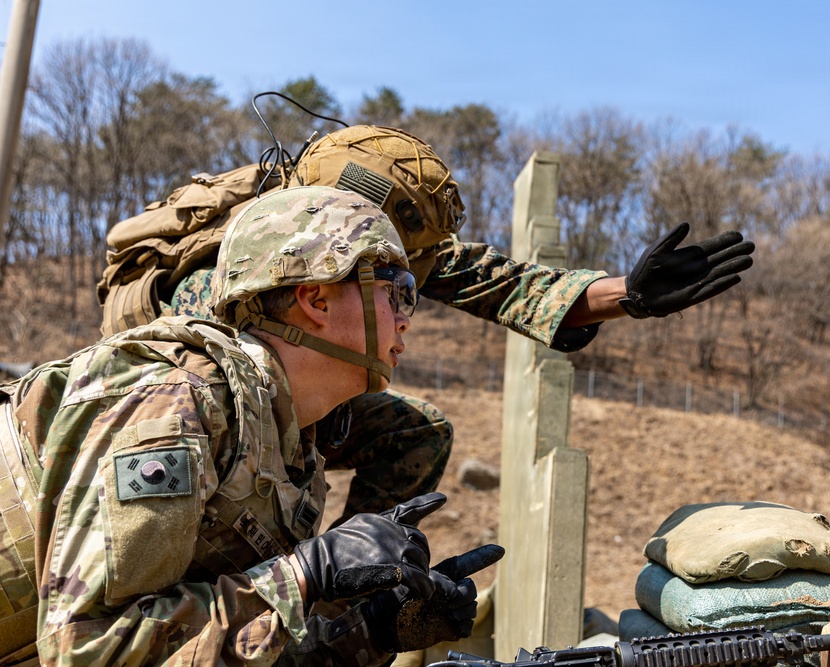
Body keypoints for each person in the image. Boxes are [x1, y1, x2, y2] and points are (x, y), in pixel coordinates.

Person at [99, 124, 756, 525]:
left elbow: (498, 282)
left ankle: (350, 594)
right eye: (392, 269)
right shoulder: (220, 279)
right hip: (170, 427)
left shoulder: (353, 243)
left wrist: (624, 295)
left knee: (414, 432)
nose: (407, 286)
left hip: (269, 408)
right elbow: (209, 400)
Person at [0, 186, 502, 666]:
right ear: (316, 299)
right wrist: (303, 575)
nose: (406, 318)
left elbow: (221, 649)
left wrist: (374, 631)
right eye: (397, 290)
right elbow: (85, 652)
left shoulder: (288, 455)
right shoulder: (179, 404)